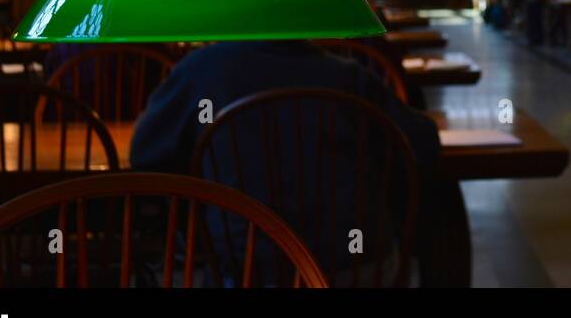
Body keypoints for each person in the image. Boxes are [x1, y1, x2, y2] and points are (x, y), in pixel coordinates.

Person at [131, 39, 440, 279]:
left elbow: (144, 154)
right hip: (355, 267)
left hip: (247, 269)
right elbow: (422, 144)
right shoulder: (347, 77)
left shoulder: (199, 71)